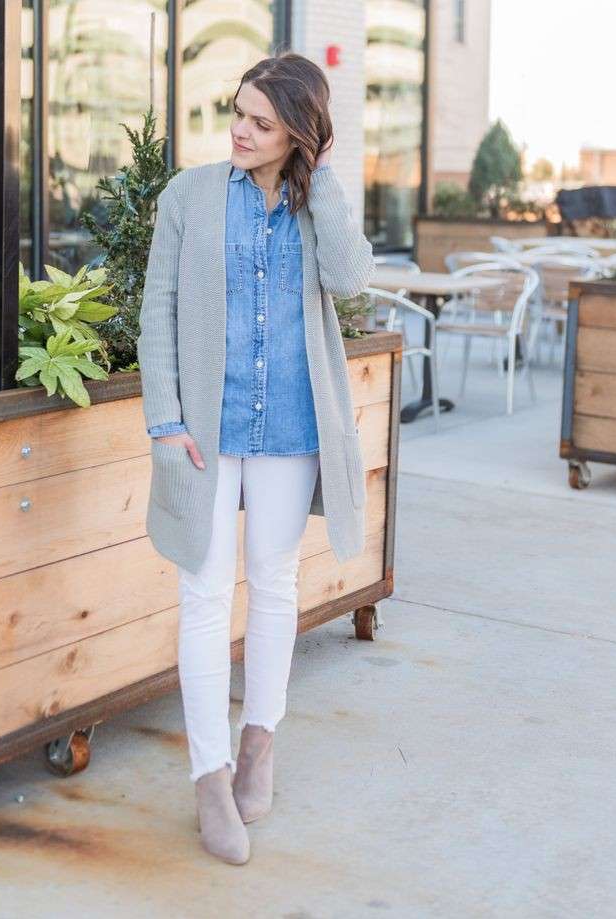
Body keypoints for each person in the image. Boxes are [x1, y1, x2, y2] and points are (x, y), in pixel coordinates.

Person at [137, 51, 374, 865]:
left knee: (274, 585)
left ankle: (258, 750)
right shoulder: (190, 196)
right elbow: (157, 311)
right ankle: (209, 776)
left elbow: (350, 278)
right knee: (203, 593)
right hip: (206, 424)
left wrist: (326, 178)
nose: (241, 131)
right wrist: (163, 420)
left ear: (298, 136)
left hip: (292, 425)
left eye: (263, 123)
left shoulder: (316, 205)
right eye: (237, 112)